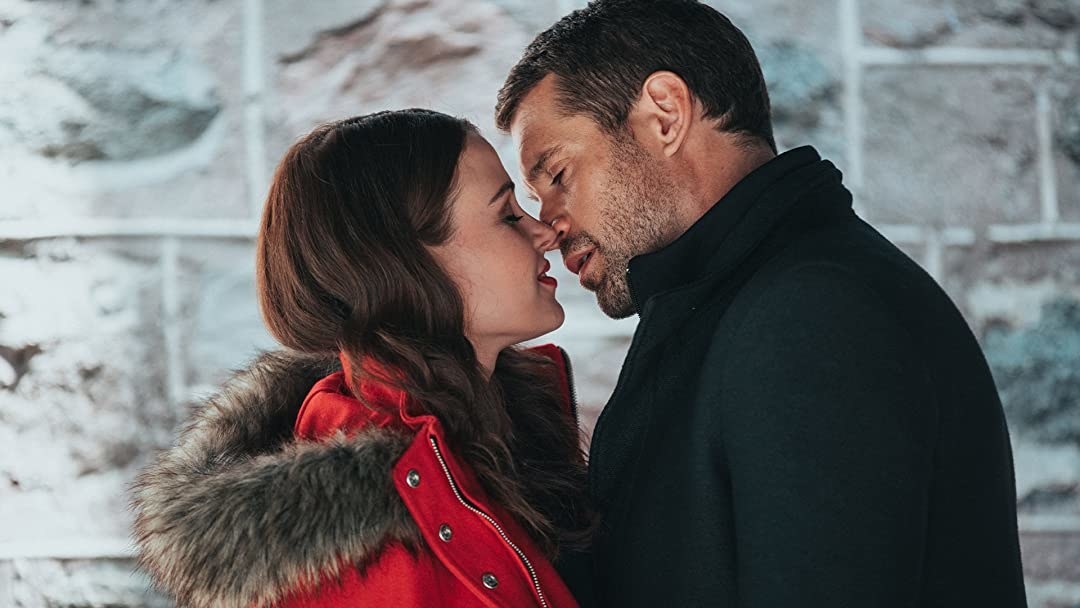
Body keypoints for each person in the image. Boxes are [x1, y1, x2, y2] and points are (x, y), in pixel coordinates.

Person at [495, 0, 1028, 606]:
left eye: (558, 174)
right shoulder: (729, 303)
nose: (548, 225)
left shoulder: (817, 313)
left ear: (664, 115)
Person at [130, 109, 592, 608]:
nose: (544, 232)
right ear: (401, 262)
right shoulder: (367, 537)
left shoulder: (492, 436)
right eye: (506, 215)